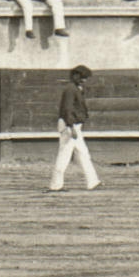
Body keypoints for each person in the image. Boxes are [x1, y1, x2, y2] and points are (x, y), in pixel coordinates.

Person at [49, 65, 100, 193]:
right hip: (70, 126)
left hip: (74, 126)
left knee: (83, 154)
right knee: (64, 155)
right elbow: (67, 109)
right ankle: (55, 185)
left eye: (85, 78)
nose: (84, 80)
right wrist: (71, 127)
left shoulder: (74, 88)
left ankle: (93, 182)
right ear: (75, 76)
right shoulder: (71, 89)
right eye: (83, 78)